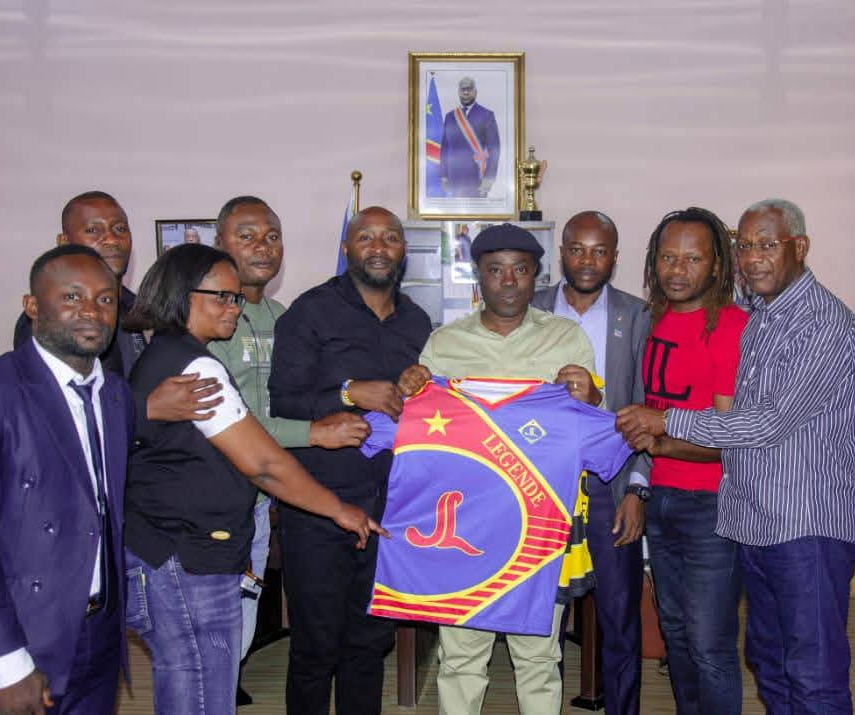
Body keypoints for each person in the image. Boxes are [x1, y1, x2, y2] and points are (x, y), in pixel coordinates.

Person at [618, 198, 855, 712]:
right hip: (755, 520)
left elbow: (767, 422)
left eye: (768, 245)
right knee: (769, 665)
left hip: (807, 525)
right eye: (746, 245)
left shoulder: (824, 321)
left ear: (801, 247)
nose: (753, 257)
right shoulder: (760, 314)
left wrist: (665, 422)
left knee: (812, 674)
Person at [122, 243, 386, 715]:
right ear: (182, 295)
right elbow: (263, 463)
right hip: (185, 561)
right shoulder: (197, 368)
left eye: (237, 298)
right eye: (222, 297)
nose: (234, 308)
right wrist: (339, 510)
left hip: (168, 552)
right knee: (202, 699)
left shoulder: (167, 353)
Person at [403, 222, 601, 715]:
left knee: (538, 658)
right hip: (464, 524)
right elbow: (422, 434)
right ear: (479, 276)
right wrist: (410, 391)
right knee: (461, 659)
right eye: (496, 270)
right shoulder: (444, 344)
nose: (508, 281)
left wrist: (594, 397)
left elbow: (592, 427)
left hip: (540, 523)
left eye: (520, 270)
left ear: (537, 276)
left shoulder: (566, 338)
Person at [0, 245, 133, 714]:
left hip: (99, 633)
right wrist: (5, 663)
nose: (92, 311)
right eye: (72, 296)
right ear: (32, 306)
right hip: (20, 638)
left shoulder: (115, 395)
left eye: (105, 299)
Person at [268, 206, 432, 715]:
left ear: (404, 250)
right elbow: (282, 403)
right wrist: (346, 392)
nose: (379, 248)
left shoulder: (418, 321)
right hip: (319, 507)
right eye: (366, 238)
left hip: (390, 509)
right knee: (315, 648)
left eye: (390, 238)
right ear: (347, 247)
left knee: (369, 645)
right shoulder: (309, 312)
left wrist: (422, 382)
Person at [208, 196, 372, 703]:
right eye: (247, 236)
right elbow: (230, 424)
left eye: (272, 236)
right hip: (215, 500)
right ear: (219, 243)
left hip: (262, 500)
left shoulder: (284, 316)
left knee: (239, 629)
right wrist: (315, 433)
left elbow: (295, 399)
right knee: (207, 640)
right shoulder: (210, 317)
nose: (262, 246)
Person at [531, 211, 651, 715]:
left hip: (610, 485)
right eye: (577, 249)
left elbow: (647, 406)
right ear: (561, 253)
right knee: (542, 620)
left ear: (614, 258)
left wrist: (637, 489)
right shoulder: (530, 306)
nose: (587, 260)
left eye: (599, 251)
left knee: (619, 616)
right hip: (540, 486)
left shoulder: (639, 316)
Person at [634, 207, 747, 714]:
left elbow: (728, 438)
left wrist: (657, 440)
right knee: (675, 632)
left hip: (711, 507)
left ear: (717, 265)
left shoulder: (732, 326)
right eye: (667, 257)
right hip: (657, 498)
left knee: (709, 643)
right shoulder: (649, 320)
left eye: (692, 258)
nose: (676, 269)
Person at [14, 191, 223, 424]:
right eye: (93, 230)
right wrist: (146, 408)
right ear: (64, 242)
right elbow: (51, 408)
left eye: (120, 229)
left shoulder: (140, 307)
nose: (112, 239)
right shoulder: (49, 318)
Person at [439, 76, 501, 198]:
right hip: (453, 179)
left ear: (475, 92)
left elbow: (494, 150)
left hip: (477, 178)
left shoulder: (486, 115)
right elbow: (444, 148)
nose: (466, 92)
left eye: (469, 89)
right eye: (463, 89)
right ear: (459, 92)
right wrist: (443, 175)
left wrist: (488, 179)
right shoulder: (450, 116)